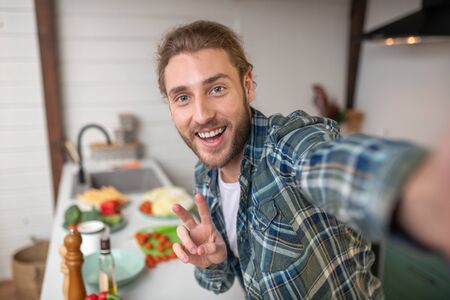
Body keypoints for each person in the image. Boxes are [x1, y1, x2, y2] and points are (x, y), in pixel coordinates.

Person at [156, 20, 450, 299]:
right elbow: (221, 284)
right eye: (182, 97)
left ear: (247, 86)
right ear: (170, 108)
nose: (202, 114)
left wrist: (417, 190)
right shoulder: (204, 177)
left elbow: (325, 162)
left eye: (217, 89)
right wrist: (214, 261)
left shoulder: (287, 143)